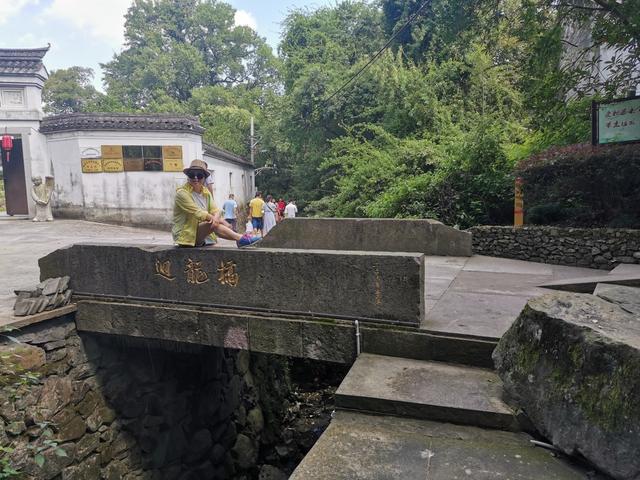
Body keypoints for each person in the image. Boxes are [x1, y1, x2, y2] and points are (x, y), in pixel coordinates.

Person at [172, 159, 260, 248]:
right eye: (192, 175)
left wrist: (221, 221)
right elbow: (198, 213)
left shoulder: (206, 192)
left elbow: (215, 210)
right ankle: (241, 238)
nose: (195, 178)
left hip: (201, 232)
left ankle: (240, 240)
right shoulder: (182, 194)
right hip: (185, 235)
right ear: (188, 177)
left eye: (199, 175)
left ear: (204, 178)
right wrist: (217, 220)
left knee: (215, 224)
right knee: (212, 223)